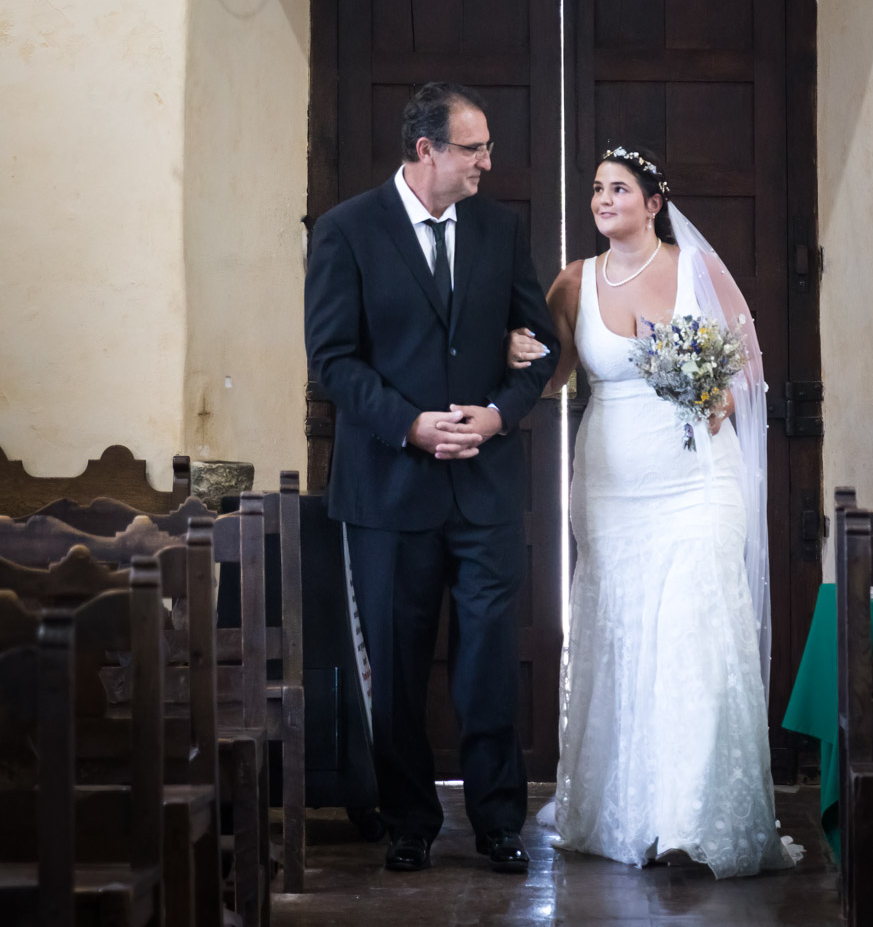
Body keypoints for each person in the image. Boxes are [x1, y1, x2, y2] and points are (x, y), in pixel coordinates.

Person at [506, 146, 799, 880]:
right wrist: (518, 356)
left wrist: (713, 394)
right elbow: (555, 377)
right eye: (598, 189)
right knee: (624, 630)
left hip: (698, 478)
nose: (604, 199)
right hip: (611, 483)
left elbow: (747, 379)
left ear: (653, 201)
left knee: (694, 623)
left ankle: (692, 815)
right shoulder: (574, 283)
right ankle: (628, 809)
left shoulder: (699, 270)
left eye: (618, 189)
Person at [305, 80, 558, 875]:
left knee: (487, 659)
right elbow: (332, 362)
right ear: (426, 151)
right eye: (474, 148)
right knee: (400, 662)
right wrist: (411, 425)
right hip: (387, 488)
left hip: (485, 489)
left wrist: (499, 414)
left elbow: (539, 345)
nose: (489, 161)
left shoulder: (500, 229)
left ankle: (496, 822)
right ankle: (408, 819)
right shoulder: (347, 231)